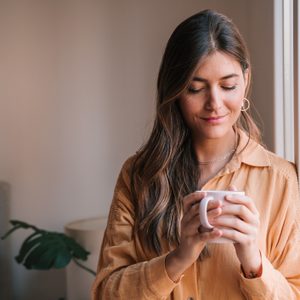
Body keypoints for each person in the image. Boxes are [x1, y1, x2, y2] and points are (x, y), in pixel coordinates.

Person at [91, 9, 300, 299]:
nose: (214, 103)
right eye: (195, 88)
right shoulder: (139, 175)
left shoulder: (282, 180)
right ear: (175, 90)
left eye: (228, 86)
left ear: (246, 81)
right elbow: (105, 293)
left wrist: (255, 262)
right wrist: (179, 257)